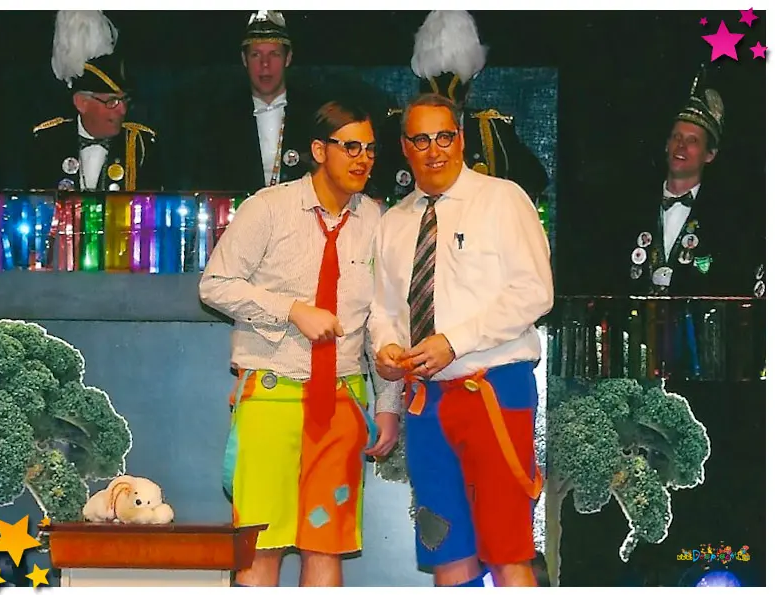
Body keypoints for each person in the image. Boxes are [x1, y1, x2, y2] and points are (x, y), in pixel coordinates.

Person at [198, 99, 402, 587]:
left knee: (326, 546)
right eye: (350, 147)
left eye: (370, 149)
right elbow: (215, 285)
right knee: (260, 547)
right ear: (318, 150)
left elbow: (384, 318)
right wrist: (291, 309)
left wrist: (388, 403)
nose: (363, 159)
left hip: (343, 401)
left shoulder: (376, 221)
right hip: (272, 394)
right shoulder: (268, 208)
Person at [368, 93, 554, 587]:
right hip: (426, 403)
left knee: (507, 549)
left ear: (461, 139)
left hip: (493, 390)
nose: (434, 150)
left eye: (444, 137)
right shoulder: (393, 222)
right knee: (445, 547)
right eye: (421, 139)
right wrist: (386, 352)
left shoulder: (503, 199)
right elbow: (384, 311)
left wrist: (454, 341)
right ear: (405, 147)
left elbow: (535, 292)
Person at [369, 11, 549, 206]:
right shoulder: (395, 128)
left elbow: (533, 182)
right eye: (422, 139)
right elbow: (373, 189)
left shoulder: (492, 131)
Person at [624, 70, 749, 296]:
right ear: (666, 145)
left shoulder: (725, 220)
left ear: (710, 154)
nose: (681, 146)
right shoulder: (633, 207)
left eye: (692, 141)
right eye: (677, 137)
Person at [27, 10, 160, 192]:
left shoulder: (140, 144)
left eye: (125, 100)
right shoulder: (47, 140)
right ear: (82, 103)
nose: (122, 110)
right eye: (112, 102)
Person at [194, 10, 318, 195]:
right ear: (244, 60)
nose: (265, 64)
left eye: (274, 54)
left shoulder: (314, 114)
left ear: (288, 58)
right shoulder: (219, 119)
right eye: (256, 55)